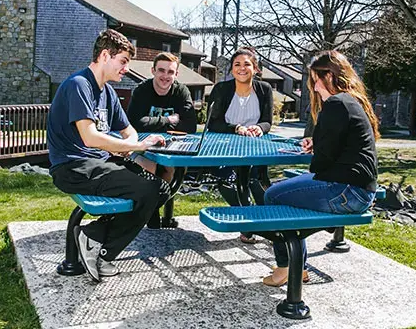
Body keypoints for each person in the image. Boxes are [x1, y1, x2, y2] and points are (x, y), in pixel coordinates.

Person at [47, 29, 169, 283]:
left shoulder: (108, 92)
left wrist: (129, 144)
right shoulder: (78, 85)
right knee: (148, 190)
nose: (125, 68)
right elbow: (89, 137)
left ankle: (94, 236)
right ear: (105, 55)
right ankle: (101, 248)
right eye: (123, 61)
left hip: (99, 162)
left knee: (161, 189)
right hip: (73, 166)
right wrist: (136, 148)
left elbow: (129, 130)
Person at [261, 50, 380, 287]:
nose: (314, 88)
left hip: (346, 191)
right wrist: (318, 142)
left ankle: (286, 267)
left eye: (316, 80)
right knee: (288, 195)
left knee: (272, 196)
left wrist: (318, 149)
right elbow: (343, 146)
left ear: (331, 76)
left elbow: (321, 164)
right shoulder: (350, 102)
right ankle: (299, 268)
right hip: (360, 190)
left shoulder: (335, 104)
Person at [206, 46, 273, 243]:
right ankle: (248, 221)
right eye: (237, 64)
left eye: (247, 64)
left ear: (256, 69)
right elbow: (213, 122)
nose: (242, 68)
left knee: (257, 180)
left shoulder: (264, 89)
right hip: (226, 145)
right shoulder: (221, 89)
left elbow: (268, 121)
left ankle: (269, 223)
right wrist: (236, 128)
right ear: (231, 69)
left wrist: (260, 128)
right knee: (227, 180)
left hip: (254, 144)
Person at [127, 52, 197, 228]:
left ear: (176, 74)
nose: (165, 76)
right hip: (144, 144)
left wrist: (153, 123)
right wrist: (170, 120)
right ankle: (149, 212)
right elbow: (136, 123)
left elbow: (190, 125)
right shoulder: (142, 91)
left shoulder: (181, 91)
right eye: (161, 70)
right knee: (149, 166)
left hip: (170, 145)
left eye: (170, 72)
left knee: (169, 168)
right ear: (153, 71)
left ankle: (151, 209)